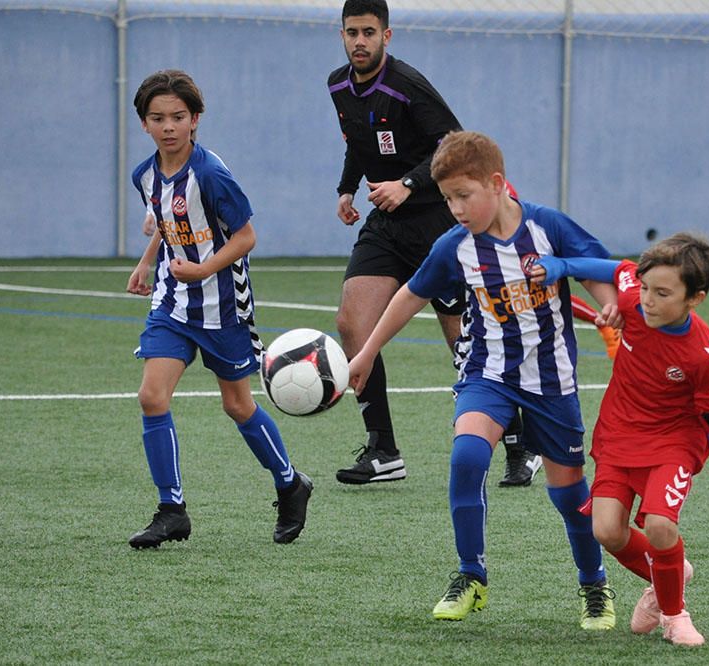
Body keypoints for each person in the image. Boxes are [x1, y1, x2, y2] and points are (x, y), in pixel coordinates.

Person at [348, 130, 619, 629]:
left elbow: (595, 267)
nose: (455, 208)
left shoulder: (547, 227)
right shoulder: (456, 245)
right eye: (448, 197)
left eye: (463, 196)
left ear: (497, 184)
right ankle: (471, 576)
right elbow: (411, 293)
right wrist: (367, 350)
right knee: (468, 455)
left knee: (568, 493)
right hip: (487, 372)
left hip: (551, 379)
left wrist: (609, 301)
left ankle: (593, 584)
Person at [328, 0, 535, 485]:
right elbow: (356, 142)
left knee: (466, 341)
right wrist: (346, 187)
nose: (360, 41)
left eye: (369, 32)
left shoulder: (408, 86)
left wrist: (408, 184)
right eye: (352, 32)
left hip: (437, 223)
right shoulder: (338, 84)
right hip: (386, 225)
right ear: (341, 35)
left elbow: (455, 144)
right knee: (351, 322)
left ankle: (519, 445)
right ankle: (383, 451)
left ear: (387, 36)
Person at [531, 232, 709, 646]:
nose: (648, 300)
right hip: (619, 434)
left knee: (659, 526)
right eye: (647, 288)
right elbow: (613, 269)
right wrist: (561, 266)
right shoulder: (635, 298)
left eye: (663, 293)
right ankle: (667, 574)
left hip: (674, 442)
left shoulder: (702, 355)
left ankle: (674, 615)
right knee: (606, 531)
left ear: (695, 298)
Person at [125, 69, 312, 549]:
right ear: (144, 124)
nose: (168, 126)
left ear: (195, 120)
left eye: (178, 117)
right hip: (171, 302)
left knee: (237, 404)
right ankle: (172, 510)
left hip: (223, 306)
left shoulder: (210, 175)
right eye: (157, 117)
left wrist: (205, 270)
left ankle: (290, 483)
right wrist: (148, 264)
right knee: (152, 397)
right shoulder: (144, 175)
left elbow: (247, 237)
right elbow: (167, 225)